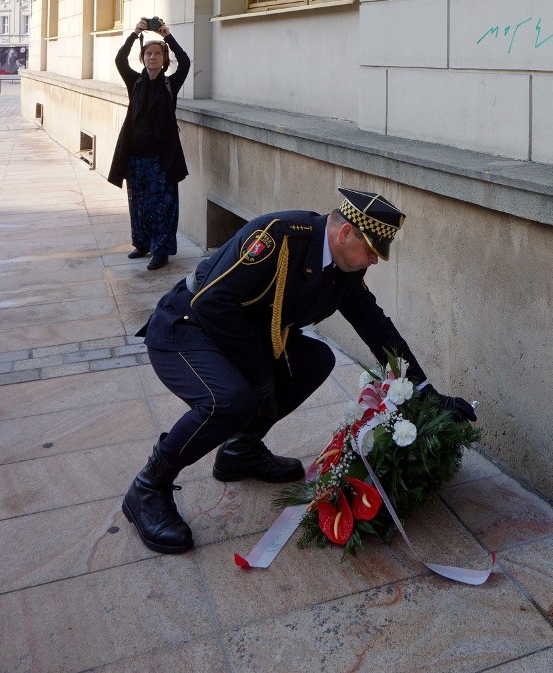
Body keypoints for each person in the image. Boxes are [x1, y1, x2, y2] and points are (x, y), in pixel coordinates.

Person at [122, 188, 477, 554]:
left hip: (241, 337)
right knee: (230, 401)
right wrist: (260, 375)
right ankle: (148, 486)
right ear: (345, 234)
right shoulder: (277, 237)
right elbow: (212, 302)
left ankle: (239, 451)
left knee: (315, 360)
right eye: (372, 249)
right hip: (188, 325)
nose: (374, 260)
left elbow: (377, 328)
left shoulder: (345, 269)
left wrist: (426, 393)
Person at [108, 18, 190, 272]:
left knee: (163, 205)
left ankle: (161, 251)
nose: (152, 57)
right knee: (138, 202)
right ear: (142, 58)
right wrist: (135, 35)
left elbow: (185, 62)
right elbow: (120, 60)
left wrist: (167, 36)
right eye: (148, 53)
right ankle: (142, 243)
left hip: (162, 158)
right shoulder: (134, 82)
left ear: (164, 59)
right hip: (134, 156)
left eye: (157, 54)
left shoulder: (169, 84)